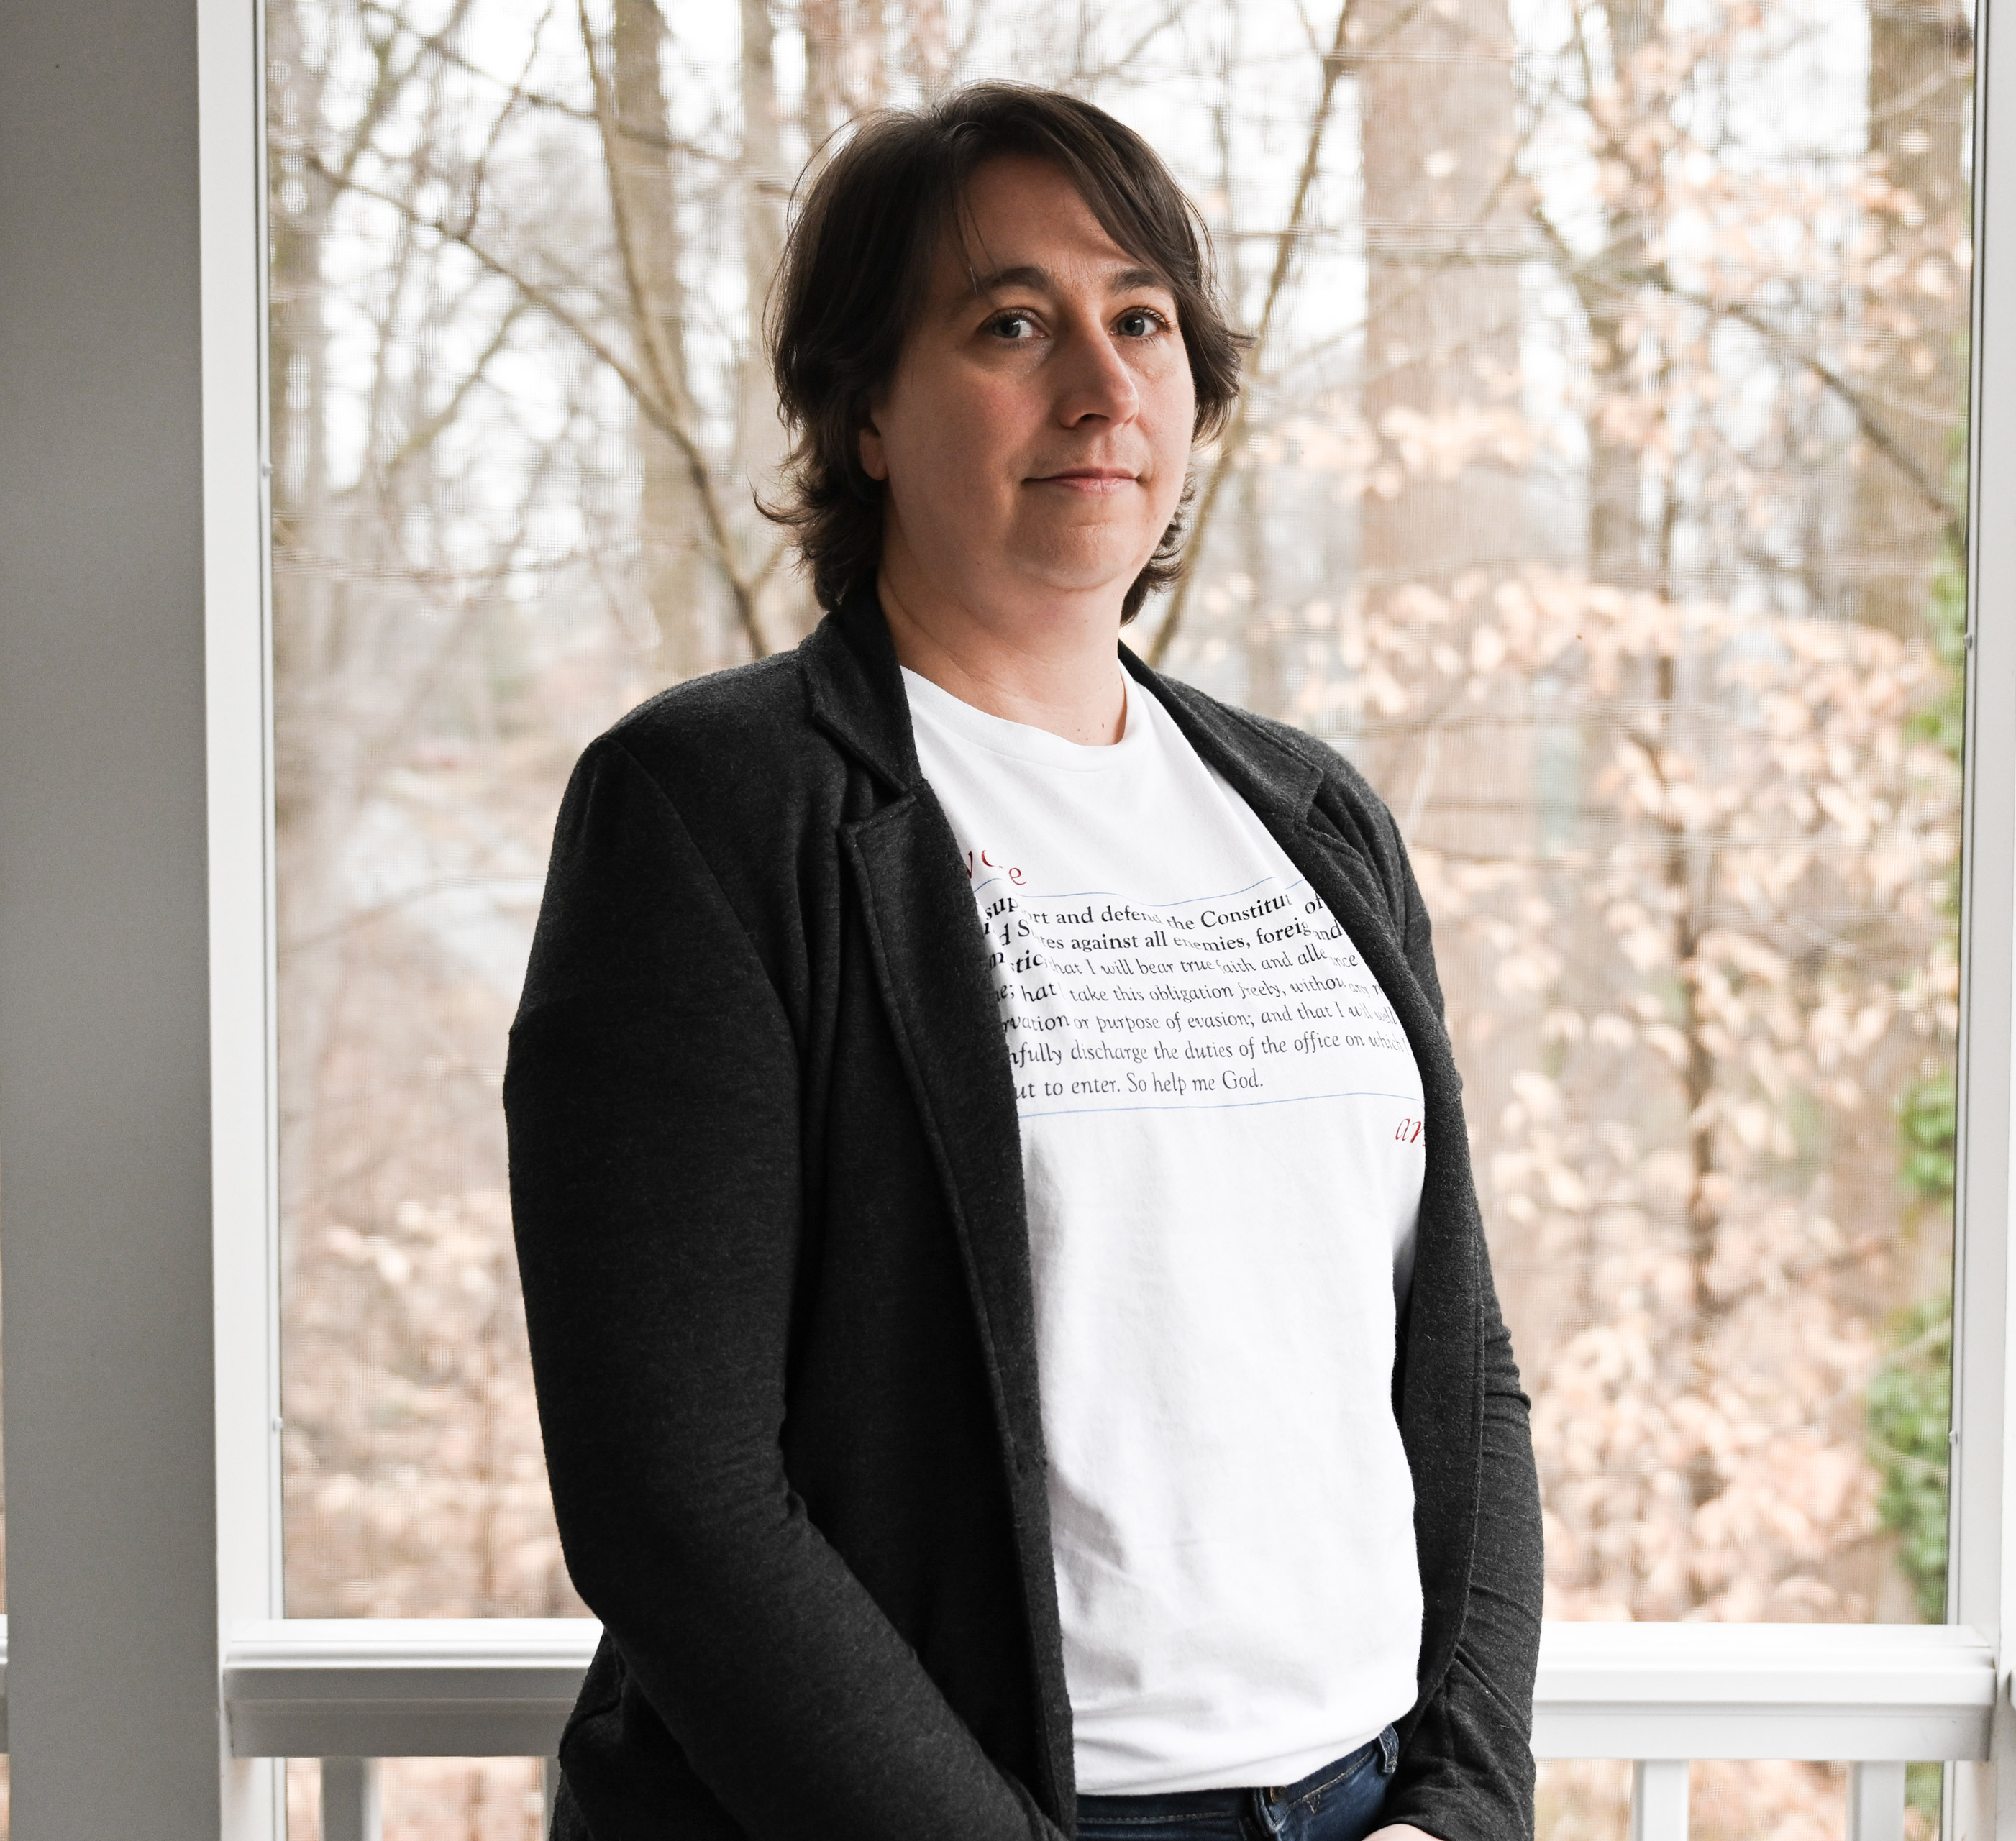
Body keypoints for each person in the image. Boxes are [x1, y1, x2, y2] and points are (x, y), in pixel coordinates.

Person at [506, 81, 1542, 1841]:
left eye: (1142, 318)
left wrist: (1462, 1796)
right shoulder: (712, 812)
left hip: (1366, 1809)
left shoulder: (1314, 818)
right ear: (865, 418)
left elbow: (1459, 1365)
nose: (1101, 380)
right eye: (1011, 322)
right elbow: (673, 1496)